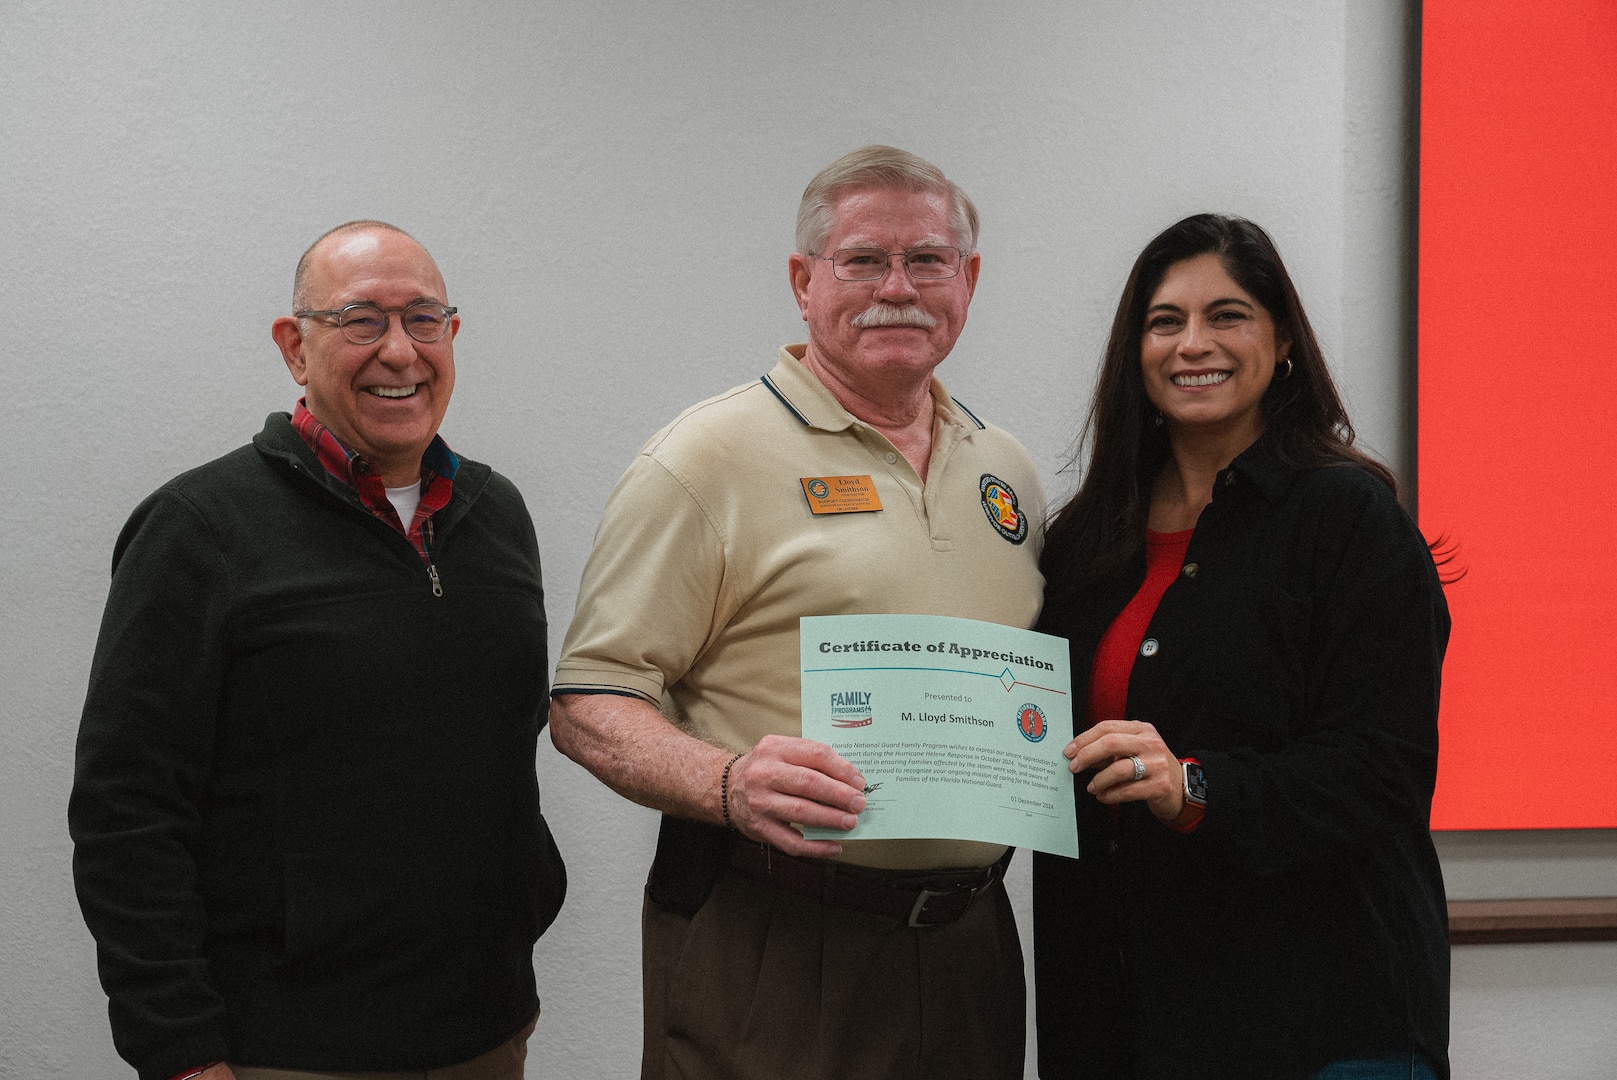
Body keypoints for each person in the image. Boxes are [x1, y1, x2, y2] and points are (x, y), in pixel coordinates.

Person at [549, 145, 1044, 1080]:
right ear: (803, 282)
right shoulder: (704, 459)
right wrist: (726, 782)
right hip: (773, 932)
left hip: (969, 938)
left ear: (968, 281)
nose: (896, 286)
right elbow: (587, 706)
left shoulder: (1004, 469)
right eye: (862, 260)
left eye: (927, 260)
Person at [69, 221, 566, 1080]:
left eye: (424, 319)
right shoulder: (199, 529)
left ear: (453, 336)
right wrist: (179, 1049)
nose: (400, 352)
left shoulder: (495, 515)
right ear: (295, 348)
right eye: (361, 321)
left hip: (485, 1029)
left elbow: (497, 746)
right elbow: (128, 810)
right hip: (287, 1047)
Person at [1032, 214, 1451, 1080]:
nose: (1193, 344)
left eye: (1226, 315)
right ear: (1134, 350)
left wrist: (1193, 786)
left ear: (1282, 340)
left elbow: (1383, 772)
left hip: (1319, 1019)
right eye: (1164, 321)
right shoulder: (1082, 545)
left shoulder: (1348, 521)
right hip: (1118, 1016)